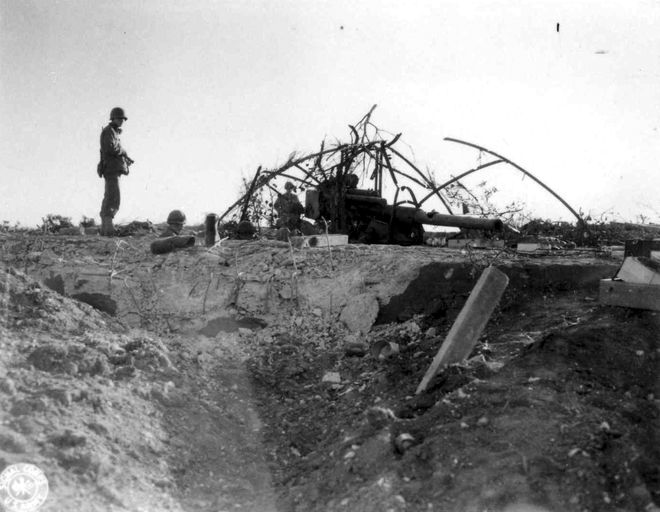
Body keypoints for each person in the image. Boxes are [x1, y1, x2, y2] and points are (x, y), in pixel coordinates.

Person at [98, 107, 134, 236]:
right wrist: (123, 152)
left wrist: (124, 158)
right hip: (111, 169)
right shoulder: (109, 131)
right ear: (113, 118)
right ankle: (108, 229)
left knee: (111, 196)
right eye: (119, 118)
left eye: (122, 119)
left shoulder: (113, 132)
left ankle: (105, 229)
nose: (121, 121)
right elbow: (110, 148)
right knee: (113, 198)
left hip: (113, 168)